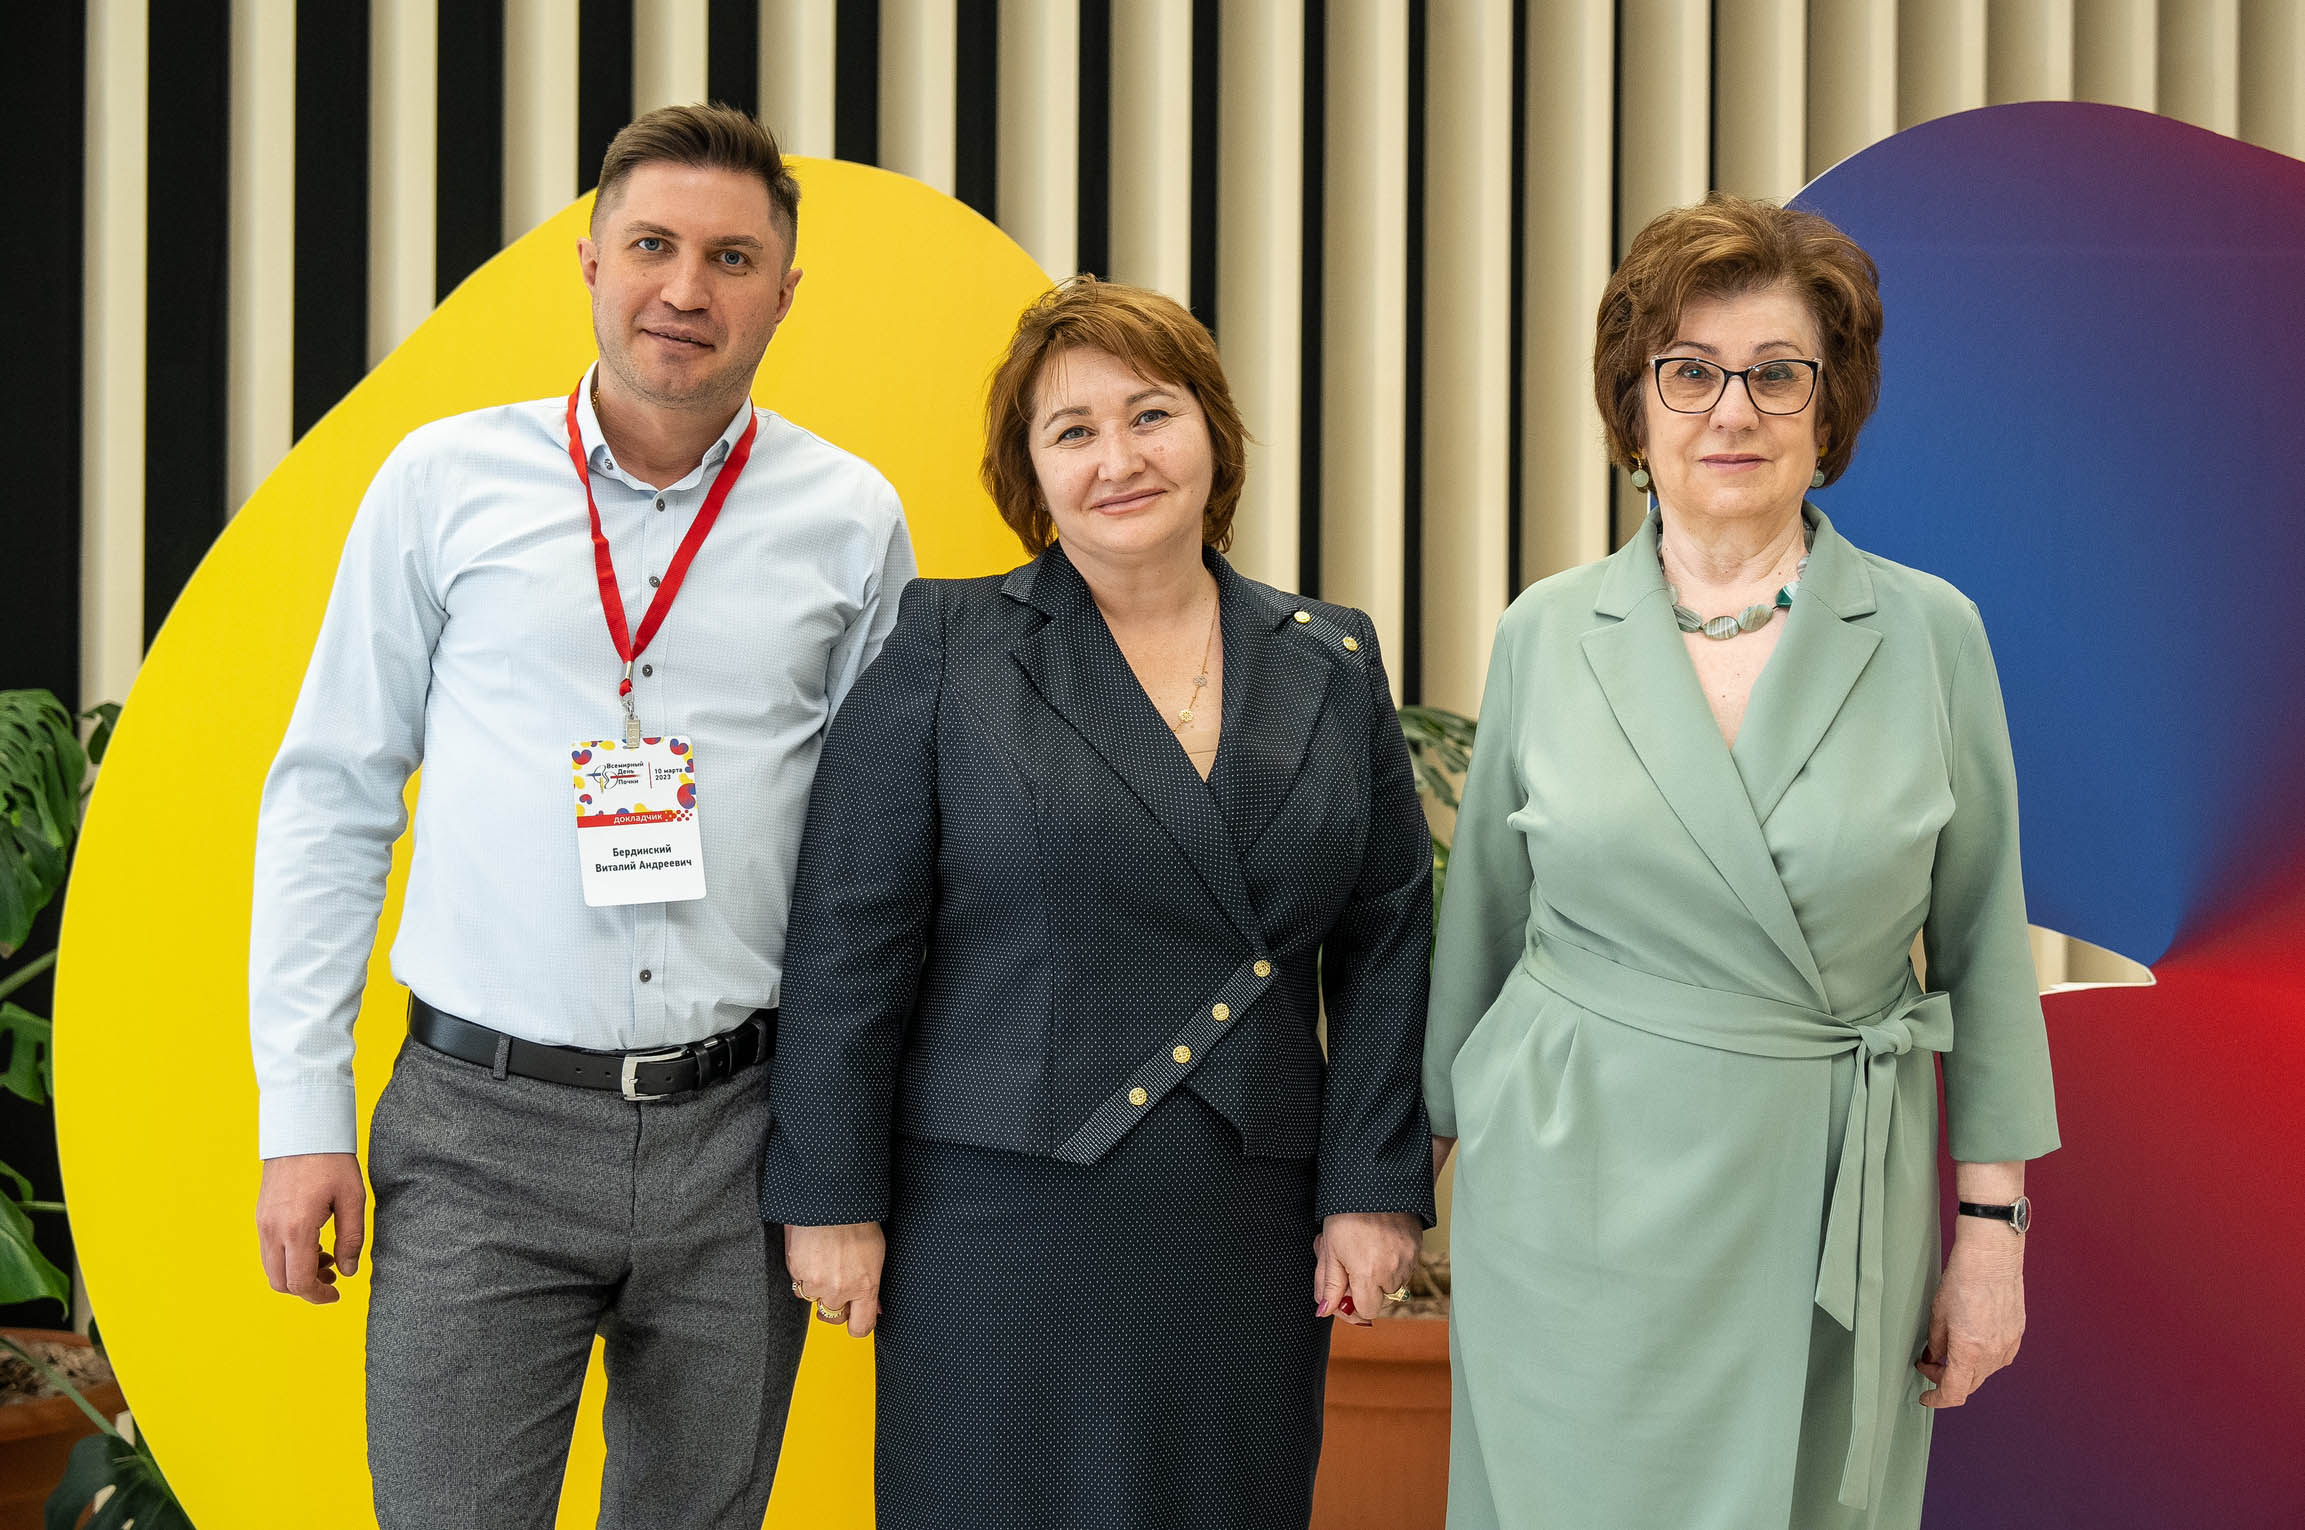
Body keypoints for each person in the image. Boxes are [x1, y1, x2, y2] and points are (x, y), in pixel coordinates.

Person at [249, 103, 915, 1529]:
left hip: (741, 1133)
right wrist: (300, 1115)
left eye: (732, 258)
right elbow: (330, 795)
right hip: (478, 1132)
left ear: (784, 293)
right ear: (590, 261)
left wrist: (844, 1154)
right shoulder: (441, 482)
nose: (687, 289)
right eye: (653, 245)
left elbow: (876, 864)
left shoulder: (852, 519)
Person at [1425, 192, 2060, 1530]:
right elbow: (1476, 928)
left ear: (1830, 414)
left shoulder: (1931, 633)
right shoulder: (1545, 631)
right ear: (1635, 408)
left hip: (1826, 1190)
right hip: (1568, 1196)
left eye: (1778, 374)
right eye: (1690, 372)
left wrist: (1992, 1238)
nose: (1733, 410)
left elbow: (1984, 947)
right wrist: (1393, 1192)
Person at [760, 276, 1435, 1529]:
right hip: (995, 1206)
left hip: (1243, 1212)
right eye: (1072, 431)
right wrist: (830, 1197)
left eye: (1150, 414)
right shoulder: (948, 643)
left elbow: (1388, 942)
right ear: (1031, 473)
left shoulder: (1329, 655)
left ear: (1211, 433)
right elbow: (850, 936)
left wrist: (1372, 1189)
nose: (1118, 459)